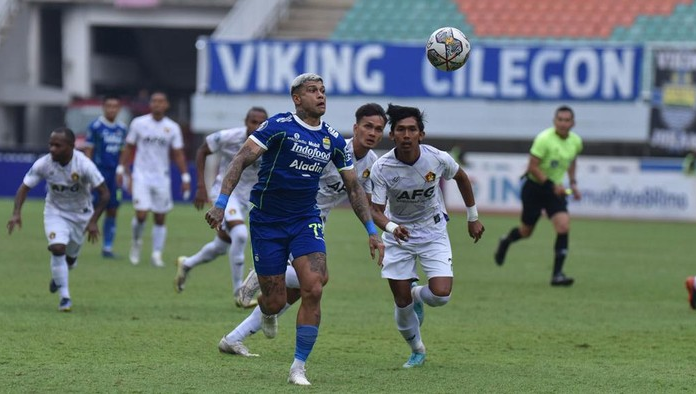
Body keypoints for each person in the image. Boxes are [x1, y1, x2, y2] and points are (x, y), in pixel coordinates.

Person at [205, 73, 384, 386]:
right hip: (266, 220)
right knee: (273, 302)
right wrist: (221, 203)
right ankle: (266, 306)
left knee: (314, 286)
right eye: (312, 90)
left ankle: (298, 367)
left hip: (305, 219)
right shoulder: (278, 126)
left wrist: (372, 229)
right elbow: (240, 160)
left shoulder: (333, 139)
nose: (320, 96)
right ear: (297, 98)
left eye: (323, 91)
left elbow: (353, 188)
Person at [368, 104, 484, 368]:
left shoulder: (437, 158)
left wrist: (473, 217)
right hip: (398, 235)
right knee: (400, 302)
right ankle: (417, 349)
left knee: (441, 295)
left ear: (421, 134)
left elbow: (462, 178)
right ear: (392, 135)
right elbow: (375, 210)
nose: (406, 135)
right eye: (401, 130)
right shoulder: (382, 168)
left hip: (432, 231)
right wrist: (391, 228)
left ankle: (417, 294)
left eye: (412, 130)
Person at [7, 127, 110, 312]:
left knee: (69, 260)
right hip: (55, 212)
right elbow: (24, 187)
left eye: (57, 145)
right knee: (57, 248)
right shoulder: (44, 164)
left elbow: (105, 194)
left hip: (81, 215)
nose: (52, 149)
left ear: (71, 146)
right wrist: (16, 213)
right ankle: (65, 298)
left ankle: (58, 277)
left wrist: (94, 221)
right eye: (50, 144)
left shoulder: (84, 165)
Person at [174, 107, 268, 307]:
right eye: (253, 121)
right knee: (241, 235)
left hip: (247, 199)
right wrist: (201, 185)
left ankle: (187, 264)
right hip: (225, 194)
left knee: (221, 246)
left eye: (261, 122)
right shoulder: (229, 137)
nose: (257, 126)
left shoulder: (270, 143)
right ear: (245, 121)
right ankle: (239, 294)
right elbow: (202, 150)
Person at [494, 105, 582, 286]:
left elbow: (572, 160)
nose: (564, 123)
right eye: (560, 120)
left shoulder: (576, 141)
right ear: (554, 121)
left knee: (563, 226)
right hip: (534, 188)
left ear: (573, 123)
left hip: (554, 192)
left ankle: (557, 275)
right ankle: (506, 241)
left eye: (567, 120)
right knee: (526, 232)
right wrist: (551, 185)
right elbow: (532, 167)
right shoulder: (544, 139)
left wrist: (573, 183)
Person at [117, 91, 190, 267]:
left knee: (160, 217)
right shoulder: (139, 123)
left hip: (161, 177)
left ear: (166, 105)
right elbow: (128, 147)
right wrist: (121, 168)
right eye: (154, 101)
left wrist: (185, 176)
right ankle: (136, 243)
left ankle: (157, 254)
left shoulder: (172, 127)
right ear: (150, 104)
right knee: (141, 214)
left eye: (161, 101)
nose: (157, 104)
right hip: (141, 175)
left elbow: (178, 153)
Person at [82, 94, 128, 258]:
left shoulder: (122, 128)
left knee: (113, 209)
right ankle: (77, 242)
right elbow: (89, 149)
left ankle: (107, 247)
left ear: (119, 109)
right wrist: (87, 171)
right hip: (98, 173)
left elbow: (124, 151)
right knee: (91, 208)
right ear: (104, 108)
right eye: (109, 106)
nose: (112, 109)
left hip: (114, 175)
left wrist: (122, 169)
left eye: (115, 106)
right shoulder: (95, 126)